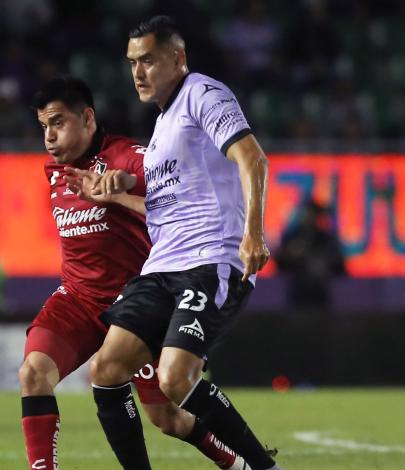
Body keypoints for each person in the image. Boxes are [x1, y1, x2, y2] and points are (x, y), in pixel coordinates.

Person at [82, 16, 283, 469]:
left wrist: (253, 232)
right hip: (160, 267)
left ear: (178, 58)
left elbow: (252, 158)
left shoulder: (204, 94)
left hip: (210, 259)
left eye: (148, 60)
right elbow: (164, 210)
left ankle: (264, 468)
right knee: (107, 369)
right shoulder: (160, 132)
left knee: (175, 378)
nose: (138, 72)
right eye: (132, 62)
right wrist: (114, 196)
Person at [20, 76, 245, 469]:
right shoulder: (56, 172)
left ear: (87, 118)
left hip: (134, 307)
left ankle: (236, 462)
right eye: (43, 127)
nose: (49, 137)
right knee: (33, 373)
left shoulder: (128, 155)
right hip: (77, 298)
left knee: (167, 419)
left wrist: (122, 185)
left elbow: (163, 182)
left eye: (58, 123)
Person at [275, 199, 347, 310]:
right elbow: (280, 264)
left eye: (312, 214)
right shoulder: (293, 237)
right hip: (298, 296)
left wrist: (324, 262)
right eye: (306, 213)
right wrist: (291, 255)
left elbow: (341, 268)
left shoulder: (326, 240)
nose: (308, 217)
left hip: (320, 296)